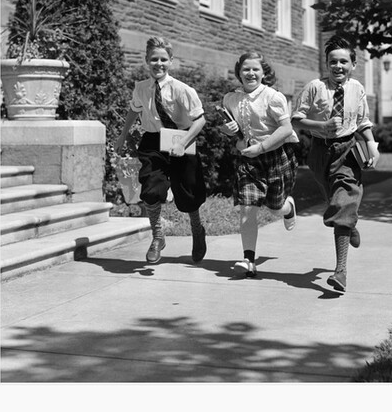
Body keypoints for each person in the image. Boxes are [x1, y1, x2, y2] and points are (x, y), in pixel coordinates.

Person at [291, 36, 380, 293]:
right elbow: (296, 119)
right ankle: (349, 223)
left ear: (353, 64)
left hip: (348, 150)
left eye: (344, 61)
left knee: (343, 201)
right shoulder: (315, 87)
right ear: (327, 64)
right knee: (334, 201)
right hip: (320, 153)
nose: (338, 66)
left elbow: (363, 121)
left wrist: (372, 146)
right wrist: (320, 126)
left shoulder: (357, 89)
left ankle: (340, 272)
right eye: (333, 61)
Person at [114, 36, 208, 265]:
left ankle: (197, 229)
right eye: (154, 59)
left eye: (163, 59)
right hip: (153, 142)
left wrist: (182, 143)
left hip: (181, 139)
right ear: (147, 61)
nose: (159, 63)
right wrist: (123, 136)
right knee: (151, 189)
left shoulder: (183, 90)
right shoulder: (141, 88)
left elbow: (200, 121)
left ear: (171, 61)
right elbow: (134, 112)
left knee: (188, 194)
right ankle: (157, 236)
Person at [218, 50, 299, 277]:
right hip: (248, 162)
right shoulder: (231, 99)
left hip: (274, 157)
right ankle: (248, 260)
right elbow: (232, 131)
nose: (250, 73)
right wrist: (228, 130)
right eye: (246, 69)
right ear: (239, 73)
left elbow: (286, 129)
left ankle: (288, 208)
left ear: (264, 73)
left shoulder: (273, 97)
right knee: (247, 209)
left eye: (255, 69)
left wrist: (262, 147)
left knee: (275, 208)